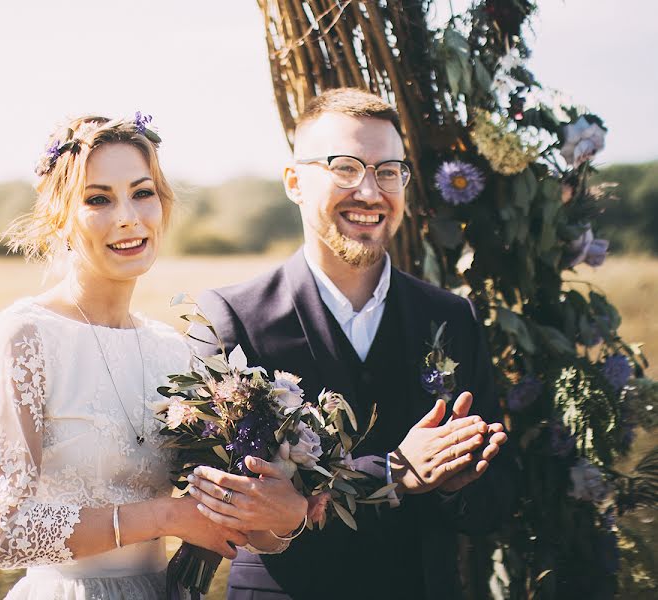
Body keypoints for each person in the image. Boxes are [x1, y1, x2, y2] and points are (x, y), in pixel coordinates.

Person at [188, 89, 517, 599]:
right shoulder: (232, 319)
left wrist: (458, 484)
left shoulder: (452, 316)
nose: (370, 191)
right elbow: (227, 501)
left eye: (388, 171)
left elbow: (495, 500)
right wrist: (395, 472)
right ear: (295, 182)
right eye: (345, 167)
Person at [0, 114, 307, 600]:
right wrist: (167, 517)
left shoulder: (170, 350)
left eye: (142, 192)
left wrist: (283, 510)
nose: (128, 216)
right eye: (98, 199)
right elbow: (5, 533)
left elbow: (225, 519)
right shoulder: (24, 338)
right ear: (60, 216)